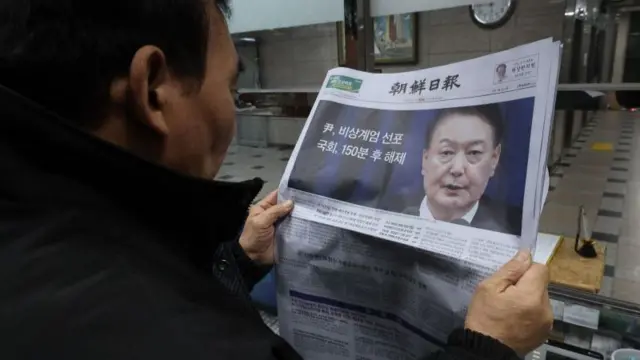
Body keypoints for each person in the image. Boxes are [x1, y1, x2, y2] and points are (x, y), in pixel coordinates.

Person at [0, 1, 552, 359]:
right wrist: (488, 349)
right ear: (153, 91)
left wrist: (233, 260)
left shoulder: (38, 220)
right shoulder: (180, 335)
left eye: (474, 153)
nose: (457, 167)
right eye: (230, 87)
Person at [405, 105, 523, 235]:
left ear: (494, 160)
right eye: (446, 152)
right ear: (425, 159)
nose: (457, 169)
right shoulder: (388, 209)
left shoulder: (511, 231)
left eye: (473, 152)